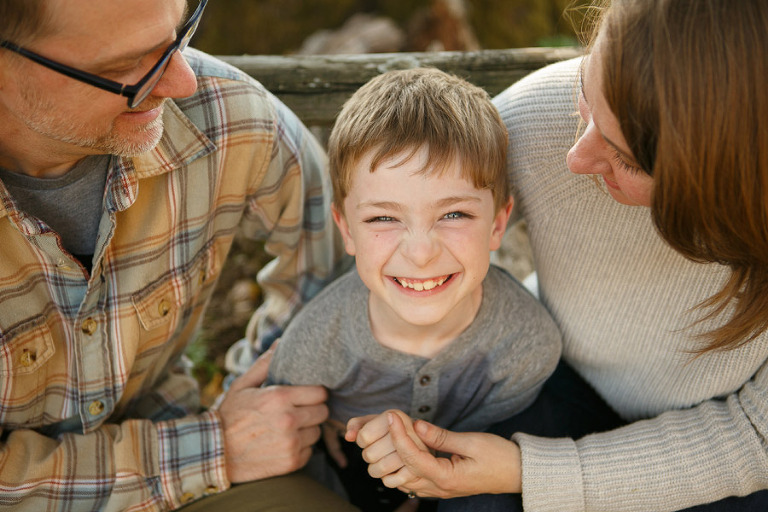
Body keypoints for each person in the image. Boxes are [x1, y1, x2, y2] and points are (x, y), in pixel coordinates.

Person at [346, 0, 768, 511]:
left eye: (626, 158)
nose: (576, 157)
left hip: (726, 440)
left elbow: (754, 436)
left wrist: (536, 474)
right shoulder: (538, 118)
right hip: (562, 377)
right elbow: (390, 229)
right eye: (587, 95)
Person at [0, 0, 356, 510]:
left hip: (196, 481)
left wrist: (267, 400)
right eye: (124, 67)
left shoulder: (221, 111)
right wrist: (211, 449)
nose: (182, 82)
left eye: (181, 32)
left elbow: (335, 263)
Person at [266, 67, 562, 511]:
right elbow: (293, 450)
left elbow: (484, 448)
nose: (421, 253)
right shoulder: (313, 347)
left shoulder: (527, 344)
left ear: (498, 224)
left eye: (455, 214)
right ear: (346, 230)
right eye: (383, 218)